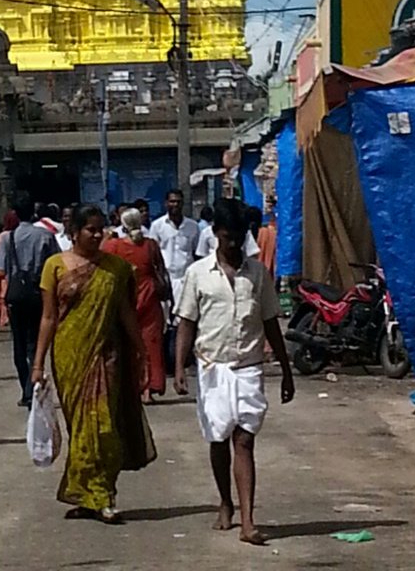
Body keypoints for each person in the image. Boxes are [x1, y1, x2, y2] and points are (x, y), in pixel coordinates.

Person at [174, 197, 294, 546]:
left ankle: (248, 520)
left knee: (244, 440)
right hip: (212, 367)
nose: (233, 245)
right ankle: (224, 501)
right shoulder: (197, 275)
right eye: (227, 238)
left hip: (248, 368)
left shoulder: (257, 274)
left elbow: (271, 322)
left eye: (239, 238)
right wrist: (180, 368)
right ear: (215, 235)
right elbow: (186, 323)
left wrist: (286, 371)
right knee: (218, 438)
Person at [32, 204, 157, 522]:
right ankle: (87, 496)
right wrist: (37, 364)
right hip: (68, 357)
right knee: (80, 428)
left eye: (101, 228)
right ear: (73, 232)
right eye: (91, 229)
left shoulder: (116, 268)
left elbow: (126, 314)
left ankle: (104, 495)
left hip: (107, 355)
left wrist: (141, 351)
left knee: (103, 425)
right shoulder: (54, 266)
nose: (98, 234)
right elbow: (48, 318)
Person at [0, 192, 59, 407]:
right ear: (34, 212)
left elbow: (0, 269)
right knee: (34, 343)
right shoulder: (45, 236)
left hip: (15, 295)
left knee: (19, 344)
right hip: (38, 292)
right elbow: (55, 264)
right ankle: (33, 385)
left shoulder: (6, 238)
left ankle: (26, 390)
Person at [102, 208, 169, 402]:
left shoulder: (114, 246)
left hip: (125, 298)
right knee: (151, 344)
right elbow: (160, 268)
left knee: (127, 344)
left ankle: (130, 386)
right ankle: (149, 388)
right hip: (149, 296)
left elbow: (102, 258)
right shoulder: (150, 245)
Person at [0, 209, 18, 327]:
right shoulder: (20, 233)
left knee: (4, 297)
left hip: (6, 273)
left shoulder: (4, 236)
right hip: (20, 273)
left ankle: (5, 319)